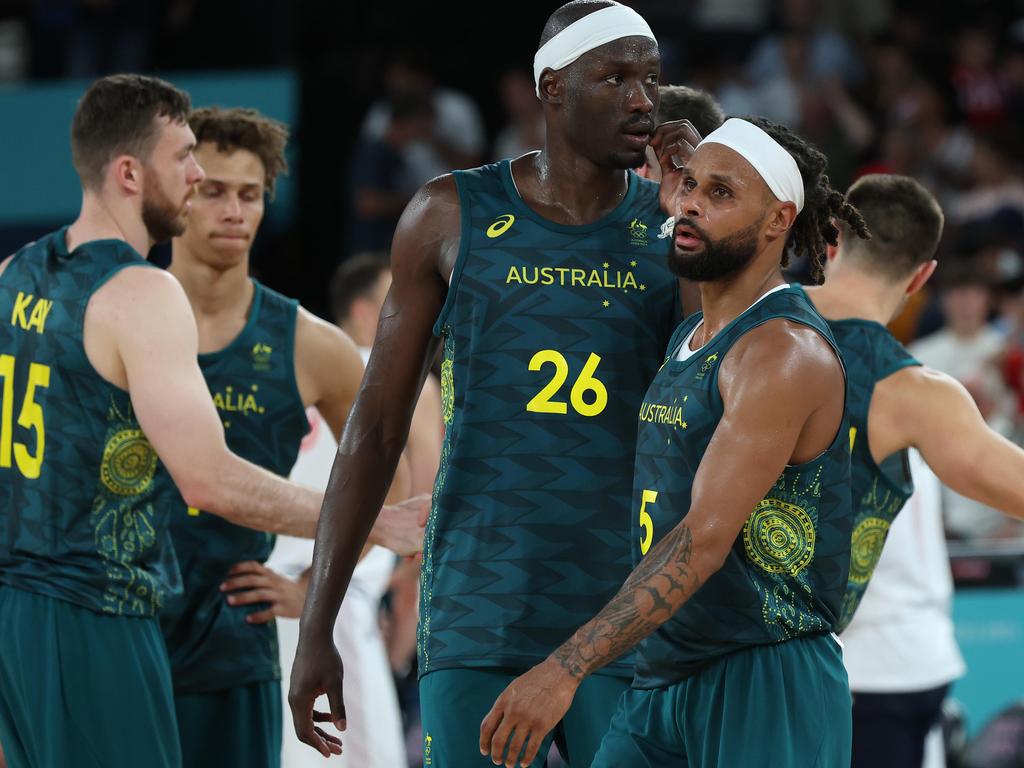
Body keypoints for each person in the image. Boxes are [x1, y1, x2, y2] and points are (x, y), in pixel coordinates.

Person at [290, 2, 682, 764]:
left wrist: (693, 204)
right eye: (616, 77)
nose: (642, 100)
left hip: (629, 609)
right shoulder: (449, 214)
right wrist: (319, 624)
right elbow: (374, 429)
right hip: (480, 603)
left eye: (651, 80)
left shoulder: (672, 231)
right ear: (553, 89)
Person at [480, 115, 866, 768]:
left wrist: (565, 667)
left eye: (721, 194)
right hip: (666, 671)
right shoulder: (694, 336)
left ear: (778, 221)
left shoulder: (782, 352)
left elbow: (701, 542)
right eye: (688, 185)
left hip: (765, 676)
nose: (690, 202)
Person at [0, 74, 317, 768]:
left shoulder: (16, 273)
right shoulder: (142, 292)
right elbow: (208, 481)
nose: (198, 172)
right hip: (95, 610)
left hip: (16, 612)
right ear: (128, 172)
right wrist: (369, 519)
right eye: (183, 157)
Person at [158, 106, 424, 768]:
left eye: (249, 194)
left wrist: (317, 586)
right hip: (123, 623)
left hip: (234, 636)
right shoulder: (120, 314)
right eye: (213, 190)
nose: (233, 210)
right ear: (176, 191)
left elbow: (390, 484)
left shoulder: (311, 345)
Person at [798, 173, 1024, 766]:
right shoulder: (917, 392)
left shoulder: (743, 330)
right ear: (923, 276)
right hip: (883, 663)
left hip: (737, 657)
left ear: (828, 238)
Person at [273, 252, 442, 768]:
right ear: (369, 312)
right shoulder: (401, 373)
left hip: (275, 587)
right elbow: (429, 509)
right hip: (335, 599)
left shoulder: (296, 367)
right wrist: (409, 617)